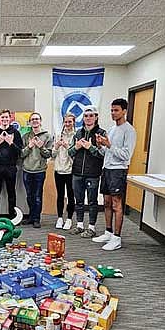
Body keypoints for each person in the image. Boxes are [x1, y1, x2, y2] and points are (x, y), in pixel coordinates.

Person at [92, 98, 137, 251]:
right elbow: (106, 152)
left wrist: (109, 145)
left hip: (118, 170)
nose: (113, 113)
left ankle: (117, 238)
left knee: (117, 205)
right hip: (107, 169)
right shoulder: (111, 130)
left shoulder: (129, 130)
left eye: (116, 110)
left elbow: (126, 155)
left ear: (124, 111)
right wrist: (100, 145)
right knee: (106, 202)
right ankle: (108, 232)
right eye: (111, 110)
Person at [68, 106, 106, 238]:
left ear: (96, 117)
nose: (88, 118)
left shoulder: (101, 133)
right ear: (83, 118)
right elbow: (70, 152)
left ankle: (91, 227)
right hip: (77, 172)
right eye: (86, 116)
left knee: (92, 201)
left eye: (91, 115)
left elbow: (103, 155)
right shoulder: (78, 133)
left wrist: (91, 148)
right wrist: (77, 147)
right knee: (78, 200)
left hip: (93, 174)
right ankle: (79, 225)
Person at [0, 109, 23, 218]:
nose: (4, 119)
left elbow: (19, 151)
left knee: (11, 193)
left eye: (6, 117)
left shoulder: (15, 133)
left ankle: (12, 217)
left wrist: (10, 143)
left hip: (11, 167)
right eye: (2, 117)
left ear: (10, 118)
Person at [21, 112, 53, 228]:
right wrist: (29, 146)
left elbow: (48, 154)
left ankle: (37, 219)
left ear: (40, 121)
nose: (35, 121)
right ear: (30, 122)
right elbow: (21, 154)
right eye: (32, 119)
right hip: (27, 170)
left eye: (37, 119)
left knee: (37, 196)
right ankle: (30, 216)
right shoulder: (25, 136)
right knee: (29, 195)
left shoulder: (47, 136)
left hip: (39, 170)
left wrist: (41, 147)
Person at [51, 112, 76, 230]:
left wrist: (67, 146)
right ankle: (60, 217)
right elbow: (52, 155)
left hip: (71, 171)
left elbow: (76, 155)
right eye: (66, 122)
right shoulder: (58, 135)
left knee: (71, 195)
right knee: (60, 195)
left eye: (70, 122)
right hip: (58, 169)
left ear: (74, 122)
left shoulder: (77, 135)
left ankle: (69, 219)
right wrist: (56, 146)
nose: (67, 124)